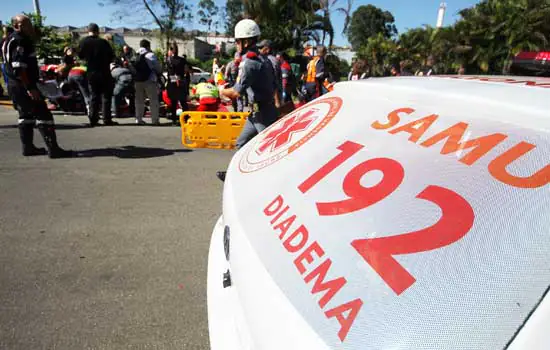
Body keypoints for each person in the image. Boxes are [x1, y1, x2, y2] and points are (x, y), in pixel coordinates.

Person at [2, 14, 72, 158]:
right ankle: (54, 149)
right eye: (25, 24)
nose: (29, 27)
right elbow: (19, 68)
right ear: (16, 26)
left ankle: (28, 147)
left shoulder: (8, 40)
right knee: (44, 114)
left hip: (15, 85)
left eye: (29, 23)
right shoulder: (21, 41)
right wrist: (30, 88)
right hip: (22, 85)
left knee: (25, 115)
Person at [217, 19, 278, 181]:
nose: (236, 44)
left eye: (238, 41)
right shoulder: (262, 59)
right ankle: (235, 175)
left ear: (246, 41)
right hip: (257, 112)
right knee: (242, 143)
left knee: (268, 150)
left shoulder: (250, 63)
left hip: (263, 112)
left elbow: (237, 92)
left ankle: (272, 180)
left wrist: (222, 90)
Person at [78, 23, 116, 126]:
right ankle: (107, 118)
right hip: (104, 71)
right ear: (98, 31)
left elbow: (80, 55)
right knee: (106, 96)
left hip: (91, 72)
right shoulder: (103, 42)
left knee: (94, 96)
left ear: (88, 30)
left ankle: (93, 119)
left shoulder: (84, 42)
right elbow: (111, 56)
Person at [133, 39, 161, 125]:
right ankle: (154, 120)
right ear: (148, 46)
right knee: (153, 100)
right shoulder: (151, 55)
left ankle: (138, 119)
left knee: (139, 101)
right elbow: (158, 68)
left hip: (137, 81)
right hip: (150, 80)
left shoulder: (135, 55)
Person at [165, 43, 189, 125]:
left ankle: (174, 120)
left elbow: (169, 72)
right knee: (183, 102)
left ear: (171, 50)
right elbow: (186, 71)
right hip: (181, 81)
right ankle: (186, 119)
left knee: (173, 102)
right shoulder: (182, 60)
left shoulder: (168, 60)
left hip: (172, 82)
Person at [258, 39, 282, 107]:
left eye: (261, 48)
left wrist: (277, 101)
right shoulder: (268, 59)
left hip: (273, 98)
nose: (259, 50)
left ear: (267, 49)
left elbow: (273, 81)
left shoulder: (271, 60)